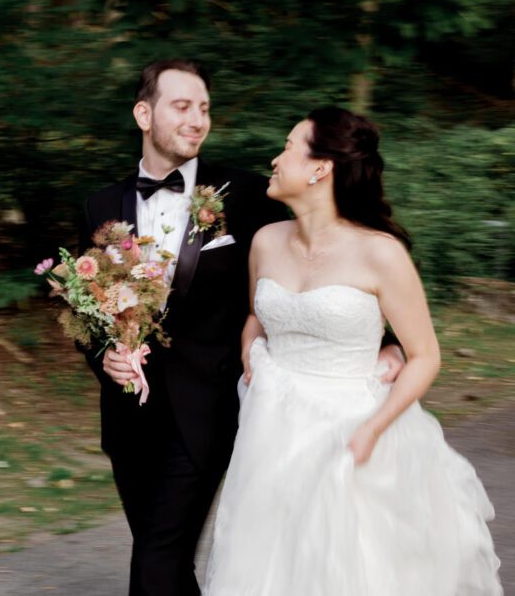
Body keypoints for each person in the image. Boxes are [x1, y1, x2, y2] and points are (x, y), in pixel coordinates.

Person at [78, 61, 405, 595]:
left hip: (206, 411)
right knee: (164, 556)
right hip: (128, 420)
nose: (197, 119)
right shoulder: (100, 205)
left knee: (156, 560)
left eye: (204, 107)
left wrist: (381, 338)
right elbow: (88, 307)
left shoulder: (249, 193)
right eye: (182, 106)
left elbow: (326, 258)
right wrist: (105, 356)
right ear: (144, 113)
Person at [203, 107, 502, 595]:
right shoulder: (265, 241)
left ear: (321, 167)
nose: (275, 160)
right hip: (271, 433)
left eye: (288, 146)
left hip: (353, 436)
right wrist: (248, 351)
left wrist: (371, 431)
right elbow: (257, 316)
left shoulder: (380, 253)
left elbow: (425, 355)